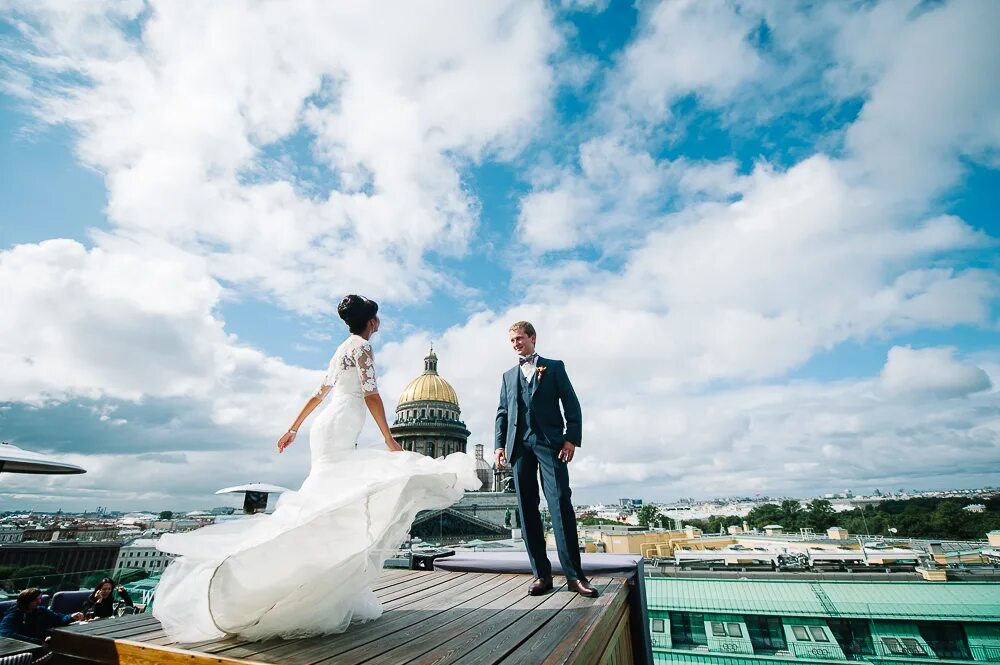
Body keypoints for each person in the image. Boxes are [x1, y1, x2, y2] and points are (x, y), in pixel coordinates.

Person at [153, 295, 480, 643]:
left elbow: (319, 392)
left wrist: (293, 427)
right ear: (371, 322)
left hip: (325, 425)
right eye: (377, 317)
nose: (379, 322)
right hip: (343, 421)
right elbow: (371, 394)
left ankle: (287, 575)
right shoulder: (363, 349)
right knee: (340, 495)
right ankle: (298, 576)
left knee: (324, 498)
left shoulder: (341, 348)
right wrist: (388, 438)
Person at [495, 321, 598, 598]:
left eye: (519, 338)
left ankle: (575, 577)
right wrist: (499, 445)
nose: (516, 344)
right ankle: (541, 575)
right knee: (527, 511)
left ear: (532, 338)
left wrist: (571, 438)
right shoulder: (507, 376)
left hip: (550, 444)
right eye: (512, 341)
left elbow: (572, 404)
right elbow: (503, 412)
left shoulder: (554, 367)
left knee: (560, 503)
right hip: (519, 447)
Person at [0, 588, 83, 645]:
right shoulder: (14, 614)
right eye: (35, 600)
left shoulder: (41, 611)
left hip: (40, 645)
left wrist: (71, 617)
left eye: (40, 599)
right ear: (26, 601)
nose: (39, 602)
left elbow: (58, 618)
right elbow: (6, 633)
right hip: (23, 647)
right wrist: (36, 642)